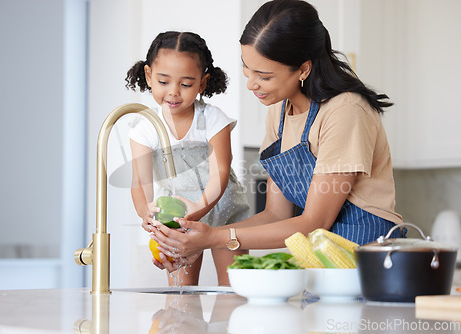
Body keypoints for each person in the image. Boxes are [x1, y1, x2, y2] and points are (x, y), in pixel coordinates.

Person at [147, 0, 405, 272]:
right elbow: (275, 215)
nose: (251, 83)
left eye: (264, 75)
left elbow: (314, 222)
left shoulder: (345, 110)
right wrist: (198, 239)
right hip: (320, 266)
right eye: (247, 68)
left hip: (370, 262)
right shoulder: (280, 111)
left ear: (303, 69)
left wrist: (214, 237)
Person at [125, 31, 250, 285]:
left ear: (202, 83)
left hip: (225, 215)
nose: (173, 92)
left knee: (233, 291)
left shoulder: (213, 119)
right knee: (182, 295)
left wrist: (199, 208)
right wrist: (145, 212)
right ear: (149, 76)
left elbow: (221, 172)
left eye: (185, 84)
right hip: (178, 220)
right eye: (164, 82)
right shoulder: (145, 128)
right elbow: (140, 181)